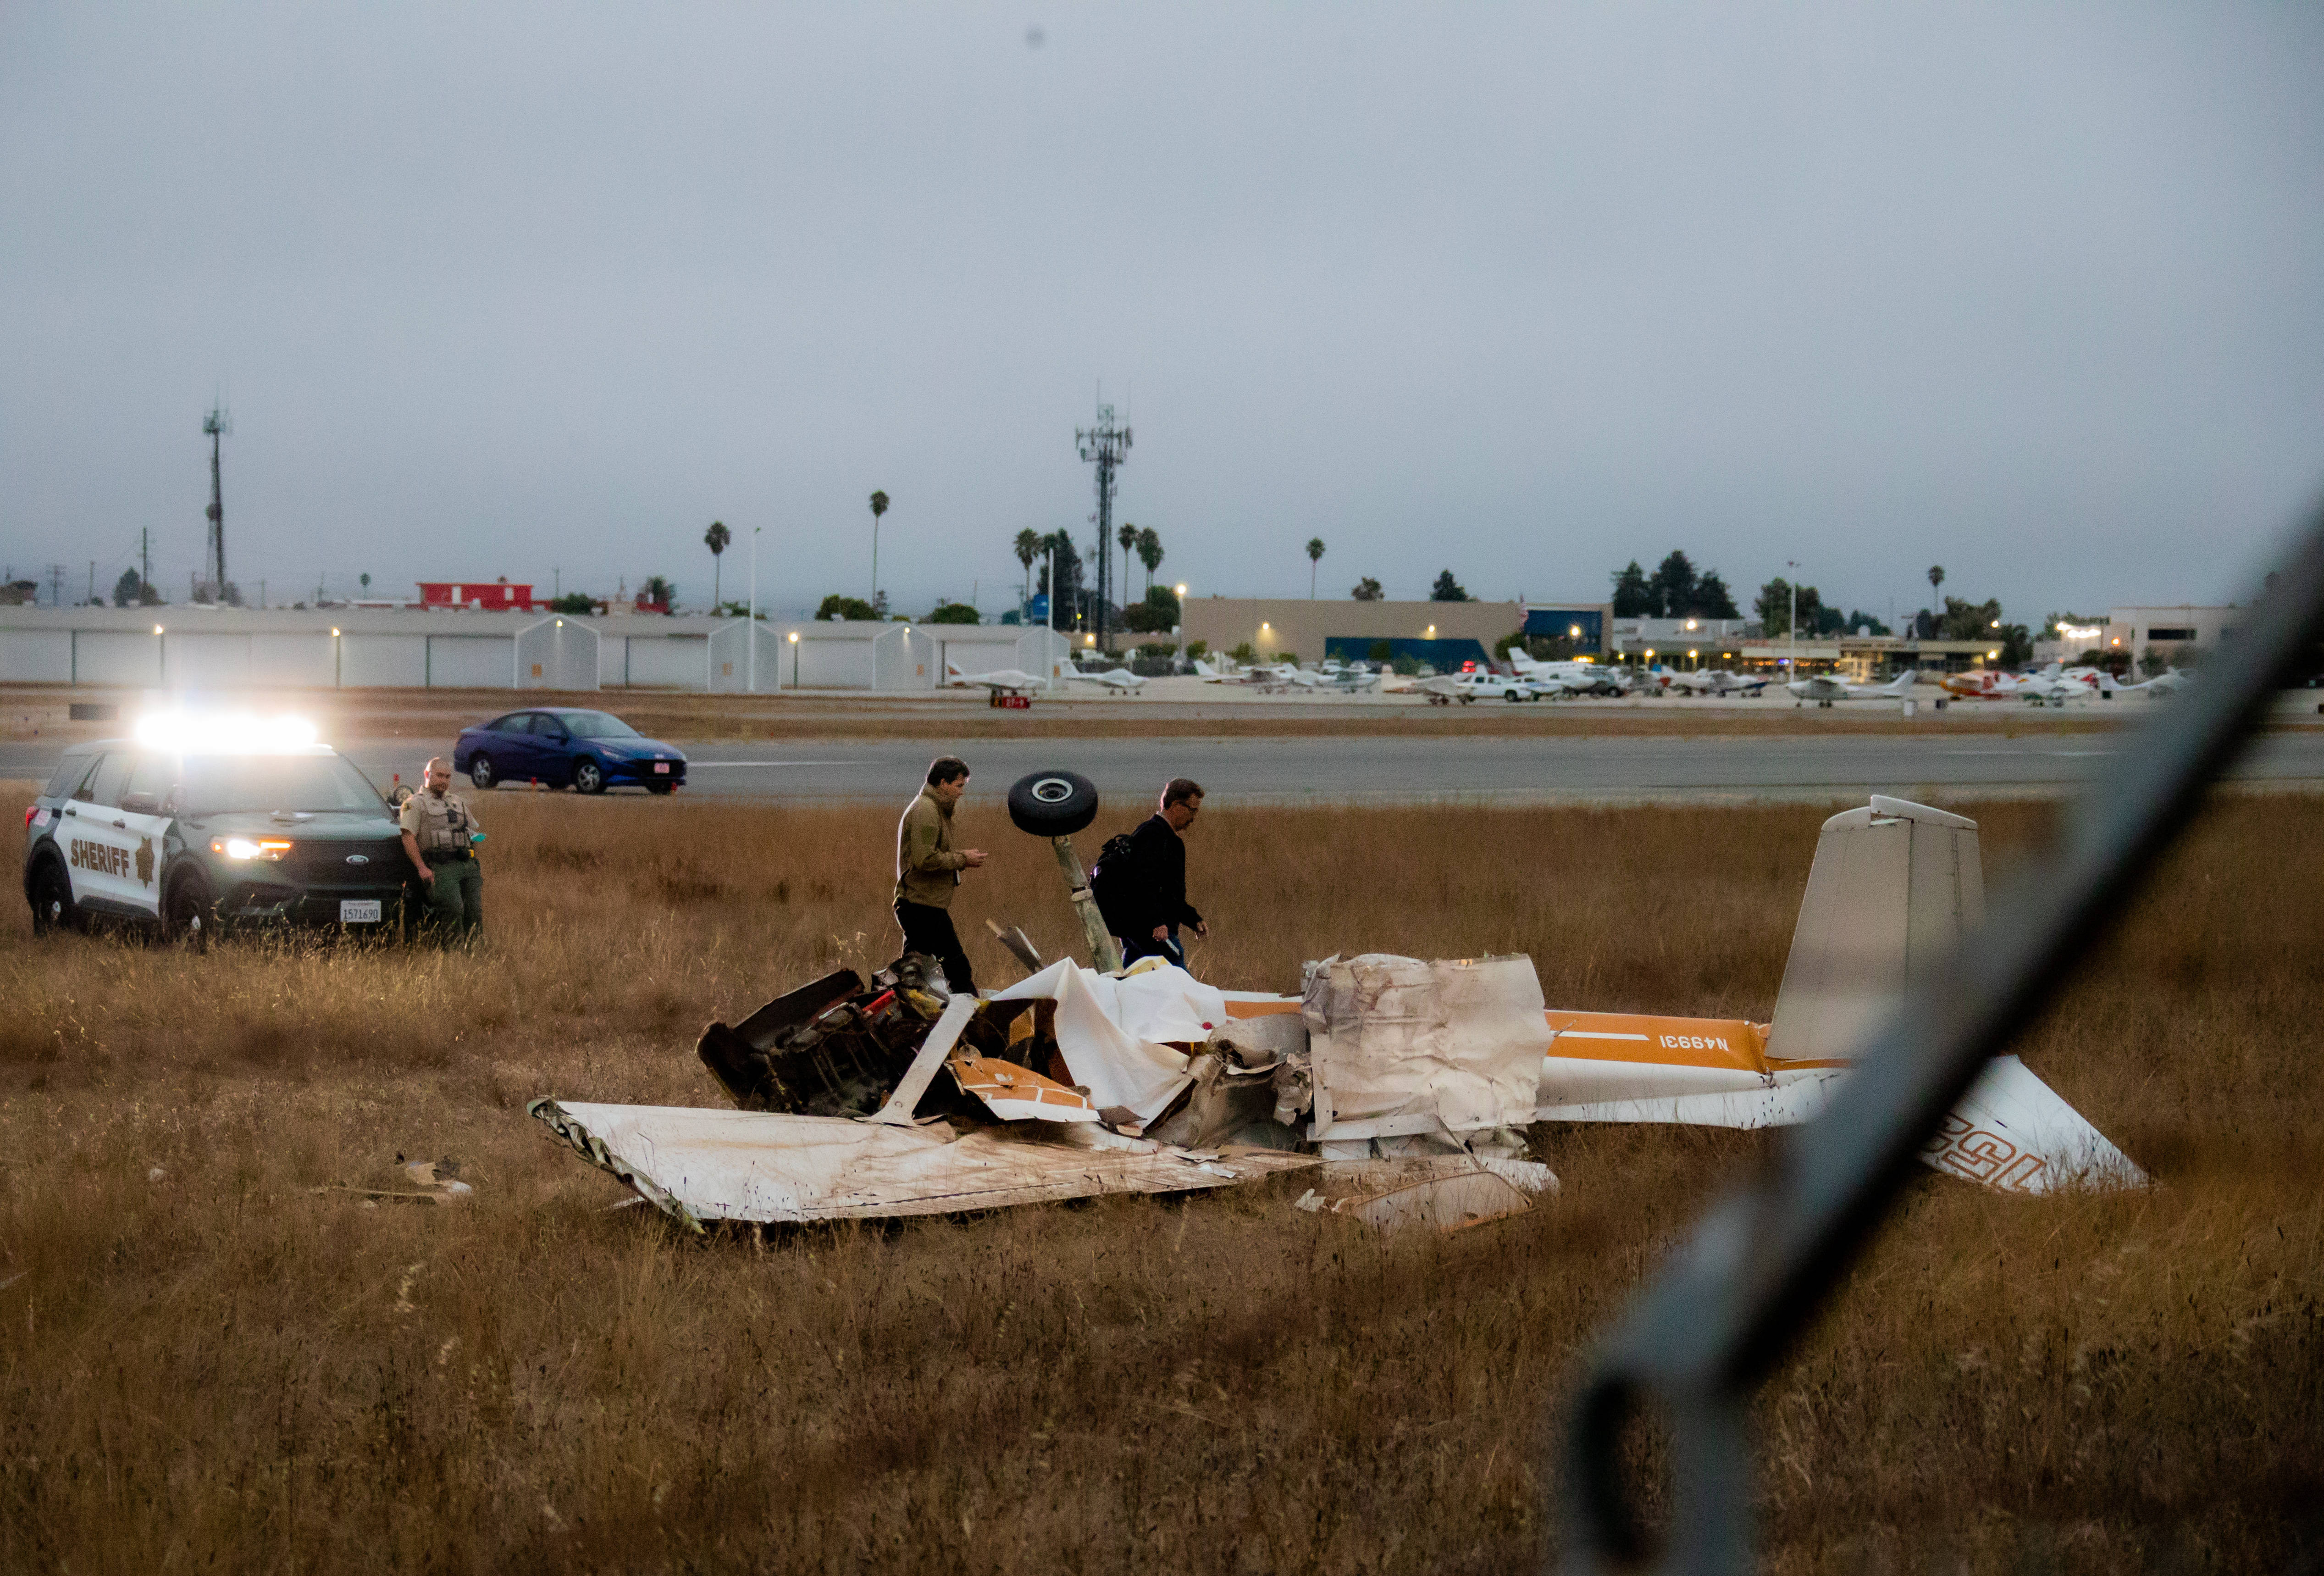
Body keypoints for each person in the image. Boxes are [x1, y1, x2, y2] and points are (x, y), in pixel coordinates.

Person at [894, 755, 987, 995]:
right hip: (921, 907)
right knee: (958, 970)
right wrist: (962, 859)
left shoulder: (935, 809)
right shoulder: (927, 810)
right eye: (959, 786)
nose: (961, 792)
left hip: (923, 904)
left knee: (912, 974)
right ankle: (971, 1020)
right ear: (944, 784)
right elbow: (924, 859)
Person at [1107, 778, 1208, 966]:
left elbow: (1169, 893)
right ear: (1177, 805)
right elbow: (1142, 882)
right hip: (1154, 932)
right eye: (1192, 810)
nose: (1194, 817)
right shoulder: (1154, 835)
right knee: (1179, 983)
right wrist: (1156, 922)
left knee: (1132, 979)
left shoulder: (1164, 837)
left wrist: (1192, 918)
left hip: (1142, 929)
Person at [400, 756, 483, 942]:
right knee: (454, 909)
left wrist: (477, 849)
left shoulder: (458, 802)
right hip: (440, 867)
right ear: (427, 774)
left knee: (474, 911)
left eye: (447, 777)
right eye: (439, 776)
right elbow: (408, 837)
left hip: (467, 865)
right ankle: (453, 954)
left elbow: (473, 832)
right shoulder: (414, 804)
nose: (444, 781)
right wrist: (422, 867)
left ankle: (475, 953)